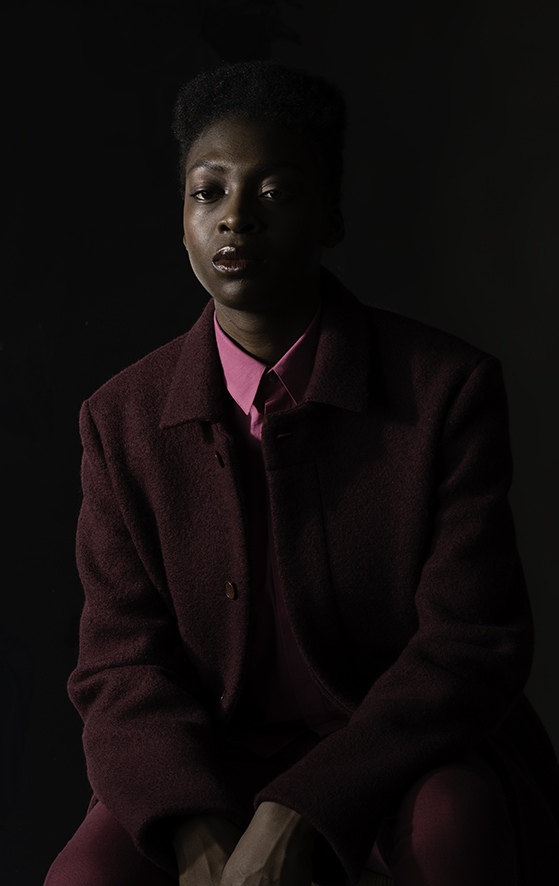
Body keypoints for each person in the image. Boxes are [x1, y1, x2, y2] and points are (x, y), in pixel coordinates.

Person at [45, 60, 559, 886]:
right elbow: (119, 666)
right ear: (182, 220)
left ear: (331, 215)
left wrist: (299, 810)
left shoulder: (444, 391)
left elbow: (471, 644)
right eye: (208, 192)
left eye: (276, 191)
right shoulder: (120, 419)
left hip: (392, 753)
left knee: (453, 832)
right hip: (203, 760)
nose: (235, 217)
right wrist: (195, 830)